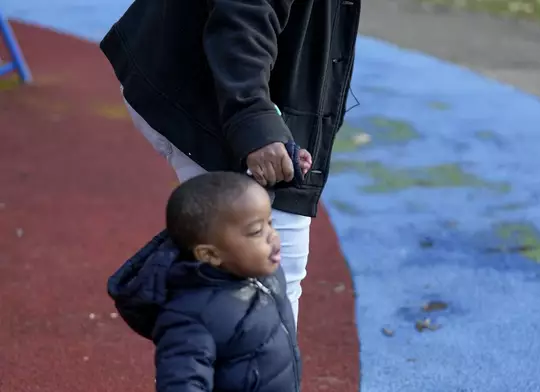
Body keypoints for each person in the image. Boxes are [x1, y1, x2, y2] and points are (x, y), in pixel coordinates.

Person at [100, 0, 361, 324]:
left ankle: (217, 353)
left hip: (232, 77)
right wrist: (254, 119)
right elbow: (244, 12)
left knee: (259, 284)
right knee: (265, 280)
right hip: (215, 84)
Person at [108, 171, 300, 392]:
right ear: (210, 255)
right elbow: (182, 382)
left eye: (270, 223)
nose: (272, 235)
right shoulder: (191, 315)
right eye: (256, 231)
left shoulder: (267, 275)